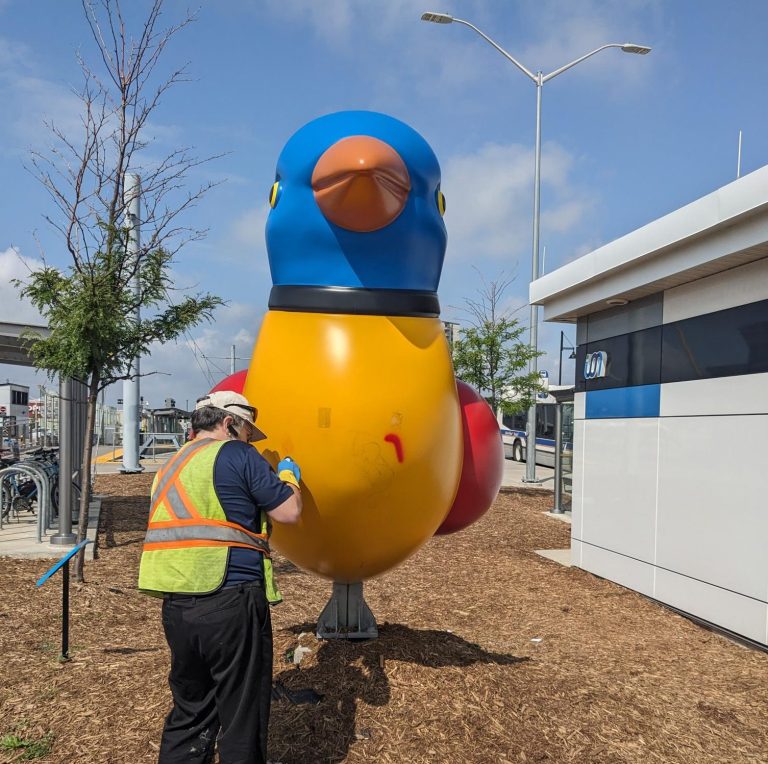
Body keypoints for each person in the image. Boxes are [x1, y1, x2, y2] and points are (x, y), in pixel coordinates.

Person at [138, 390, 303, 764]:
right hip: (230, 600)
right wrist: (289, 477)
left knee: (191, 711)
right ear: (229, 423)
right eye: (246, 432)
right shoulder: (237, 454)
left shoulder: (168, 466)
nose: (249, 441)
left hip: (177, 606)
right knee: (242, 714)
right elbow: (289, 512)